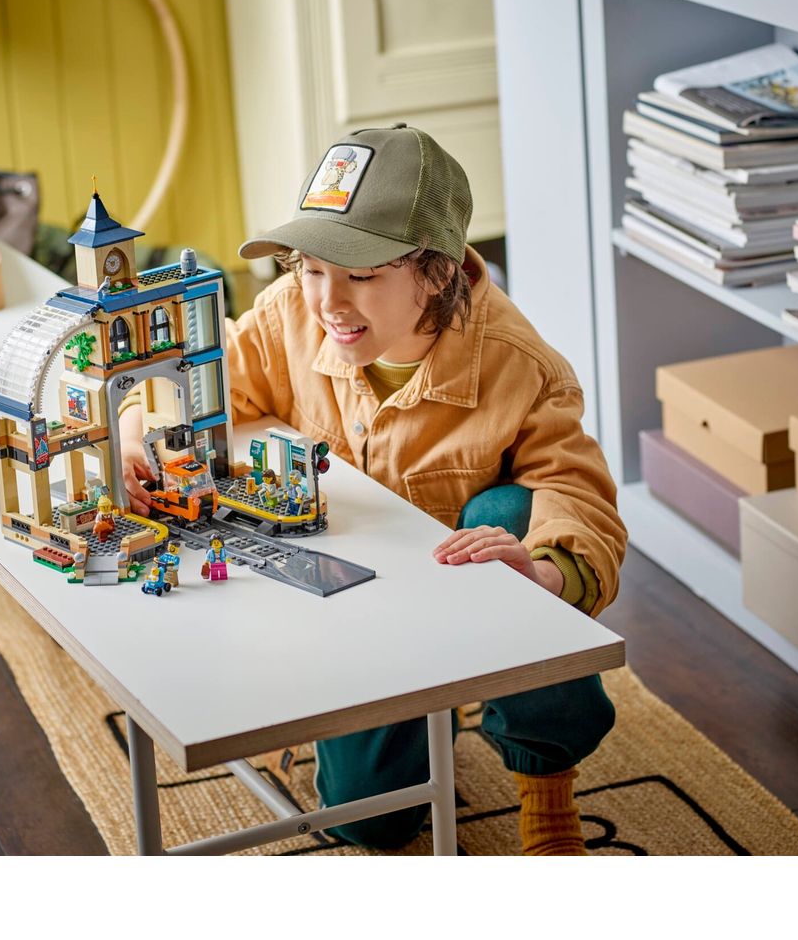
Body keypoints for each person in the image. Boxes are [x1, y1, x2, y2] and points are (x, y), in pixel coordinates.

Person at [119, 124, 626, 855]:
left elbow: (578, 496)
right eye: (312, 268)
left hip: (467, 584)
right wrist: (135, 431)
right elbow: (202, 378)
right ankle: (414, 713)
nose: (329, 300)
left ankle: (545, 785)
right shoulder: (289, 313)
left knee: (513, 518)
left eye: (361, 275)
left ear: (437, 273)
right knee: (370, 825)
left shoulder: (523, 367)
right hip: (352, 603)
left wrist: (544, 575)